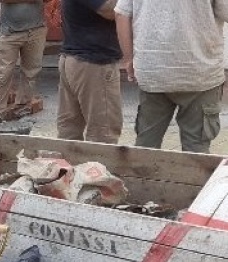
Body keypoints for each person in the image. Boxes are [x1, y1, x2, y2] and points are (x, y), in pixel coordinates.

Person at [115, 0, 228, 153]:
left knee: (146, 145)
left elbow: (122, 13)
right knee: (196, 149)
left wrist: (128, 59)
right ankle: (193, 177)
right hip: (200, 74)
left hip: (154, 72)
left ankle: (142, 175)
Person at [57, 0, 121, 143]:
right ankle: (98, 165)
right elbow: (110, 10)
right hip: (92, 63)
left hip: (77, 59)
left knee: (70, 130)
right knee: (104, 133)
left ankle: (70, 163)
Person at [0, 0, 51, 123]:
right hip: (9, 33)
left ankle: (23, 109)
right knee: (3, 74)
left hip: (36, 31)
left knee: (31, 73)